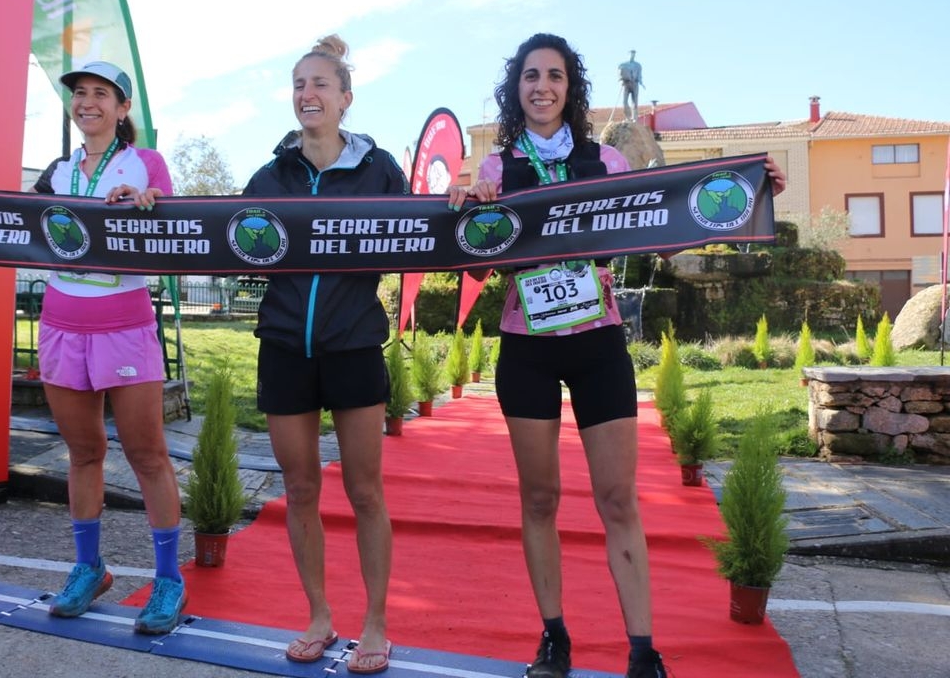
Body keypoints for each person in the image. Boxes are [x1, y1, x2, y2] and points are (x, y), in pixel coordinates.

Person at [448, 33, 786, 678]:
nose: (541, 86)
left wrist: (754, 189)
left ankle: (642, 649)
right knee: (540, 498)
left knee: (618, 499)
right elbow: (473, 261)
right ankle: (554, 638)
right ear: (515, 90)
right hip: (526, 346)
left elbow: (670, 230)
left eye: (554, 75)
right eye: (529, 76)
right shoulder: (493, 170)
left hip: (598, 342)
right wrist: (470, 213)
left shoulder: (606, 161)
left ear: (570, 88)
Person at [0, 61, 184, 634]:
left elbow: (174, 226)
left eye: (101, 94)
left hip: (124, 327)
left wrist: (149, 199)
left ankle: (169, 578)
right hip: (60, 326)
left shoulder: (144, 162)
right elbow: (7, 220)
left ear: (123, 109)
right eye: (79, 93)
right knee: (83, 453)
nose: (87, 102)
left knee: (147, 454)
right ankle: (88, 568)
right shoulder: (57, 170)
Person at [242, 35, 408, 675]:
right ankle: (318, 614)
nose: (306, 95)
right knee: (301, 487)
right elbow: (218, 233)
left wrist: (457, 204)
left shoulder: (379, 169)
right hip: (283, 347)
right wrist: (149, 208)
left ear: (345, 98)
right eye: (298, 85)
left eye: (319, 85)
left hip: (354, 346)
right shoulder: (271, 174)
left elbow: (422, 230)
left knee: (366, 491)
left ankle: (375, 622)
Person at [619, 50, 643, 121]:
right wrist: (621, 80)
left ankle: (634, 117)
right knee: (624, 102)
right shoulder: (623, 65)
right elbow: (620, 73)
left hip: (635, 84)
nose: (632, 56)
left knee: (635, 102)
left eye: (634, 54)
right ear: (628, 54)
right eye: (631, 54)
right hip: (626, 83)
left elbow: (639, 75)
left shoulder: (638, 65)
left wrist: (640, 81)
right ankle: (628, 117)